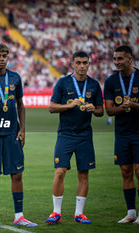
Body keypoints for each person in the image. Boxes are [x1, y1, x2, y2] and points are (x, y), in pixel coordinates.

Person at [0, 43, 38, 229]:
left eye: (4, 55)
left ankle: (19, 216)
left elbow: (20, 104)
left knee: (17, 174)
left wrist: (22, 129)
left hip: (12, 133)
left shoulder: (15, 78)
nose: (2, 59)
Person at [45, 51, 103, 225]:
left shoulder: (93, 85)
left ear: (89, 64)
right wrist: (69, 105)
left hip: (85, 135)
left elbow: (101, 111)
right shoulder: (63, 83)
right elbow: (51, 107)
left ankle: (79, 213)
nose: (82, 66)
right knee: (60, 171)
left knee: (83, 174)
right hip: (66, 134)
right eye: (78, 62)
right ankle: (56, 212)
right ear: (72, 64)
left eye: (85, 62)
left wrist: (94, 109)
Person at [104, 45, 139, 224]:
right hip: (122, 134)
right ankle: (131, 212)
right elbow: (109, 111)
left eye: (120, 59)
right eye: (115, 59)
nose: (117, 62)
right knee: (125, 172)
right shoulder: (111, 81)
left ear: (130, 60)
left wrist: (133, 105)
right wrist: (121, 108)